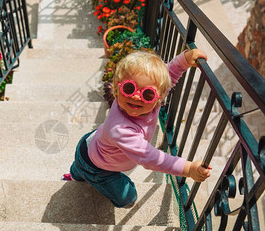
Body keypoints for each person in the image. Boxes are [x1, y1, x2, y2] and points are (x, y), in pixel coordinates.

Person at [67, 49, 211, 208]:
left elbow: (170, 73)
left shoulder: (153, 101)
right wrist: (188, 168)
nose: (136, 96)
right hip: (97, 167)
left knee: (79, 167)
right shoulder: (120, 129)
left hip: (91, 143)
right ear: (117, 88)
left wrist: (186, 59)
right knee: (127, 198)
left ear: (159, 97)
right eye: (129, 88)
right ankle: (79, 173)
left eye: (148, 93)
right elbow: (151, 158)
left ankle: (76, 172)